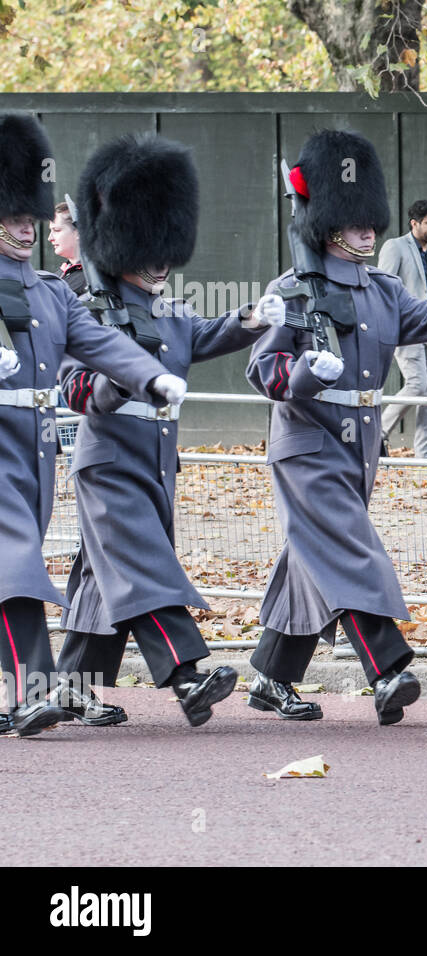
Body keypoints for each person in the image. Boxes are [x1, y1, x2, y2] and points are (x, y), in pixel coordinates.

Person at [243, 129, 427, 726]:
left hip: (359, 443)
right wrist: (305, 372)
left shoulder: (381, 288)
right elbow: (262, 369)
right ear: (329, 224)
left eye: (370, 221)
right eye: (356, 222)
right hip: (306, 442)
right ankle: (387, 667)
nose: (369, 230)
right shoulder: (291, 289)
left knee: (315, 556)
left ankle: (272, 678)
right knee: (355, 550)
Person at [54, 133, 283, 728]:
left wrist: (250, 319)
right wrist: (119, 381)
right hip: (108, 463)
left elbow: (202, 337)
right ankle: (187, 675)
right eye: (148, 251)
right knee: (146, 567)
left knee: (105, 580)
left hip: (155, 464)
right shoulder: (85, 308)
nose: (159, 264)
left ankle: (68, 690)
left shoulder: (167, 310)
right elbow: (77, 389)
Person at [0, 112, 183, 737]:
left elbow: (99, 345)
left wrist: (150, 377)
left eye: (30, 218)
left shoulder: (52, 293)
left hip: (33, 448)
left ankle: (23, 693)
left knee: (13, 563)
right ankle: (30, 693)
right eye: (14, 219)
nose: (26, 230)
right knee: (17, 563)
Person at [378, 199, 427, 458]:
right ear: (414, 223)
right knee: (417, 385)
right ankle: (378, 434)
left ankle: (424, 455)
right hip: (408, 327)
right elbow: (382, 288)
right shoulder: (395, 247)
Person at [48, 200, 84, 296]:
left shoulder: (97, 277)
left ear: (78, 232)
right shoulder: (55, 276)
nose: (50, 238)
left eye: (56, 230)